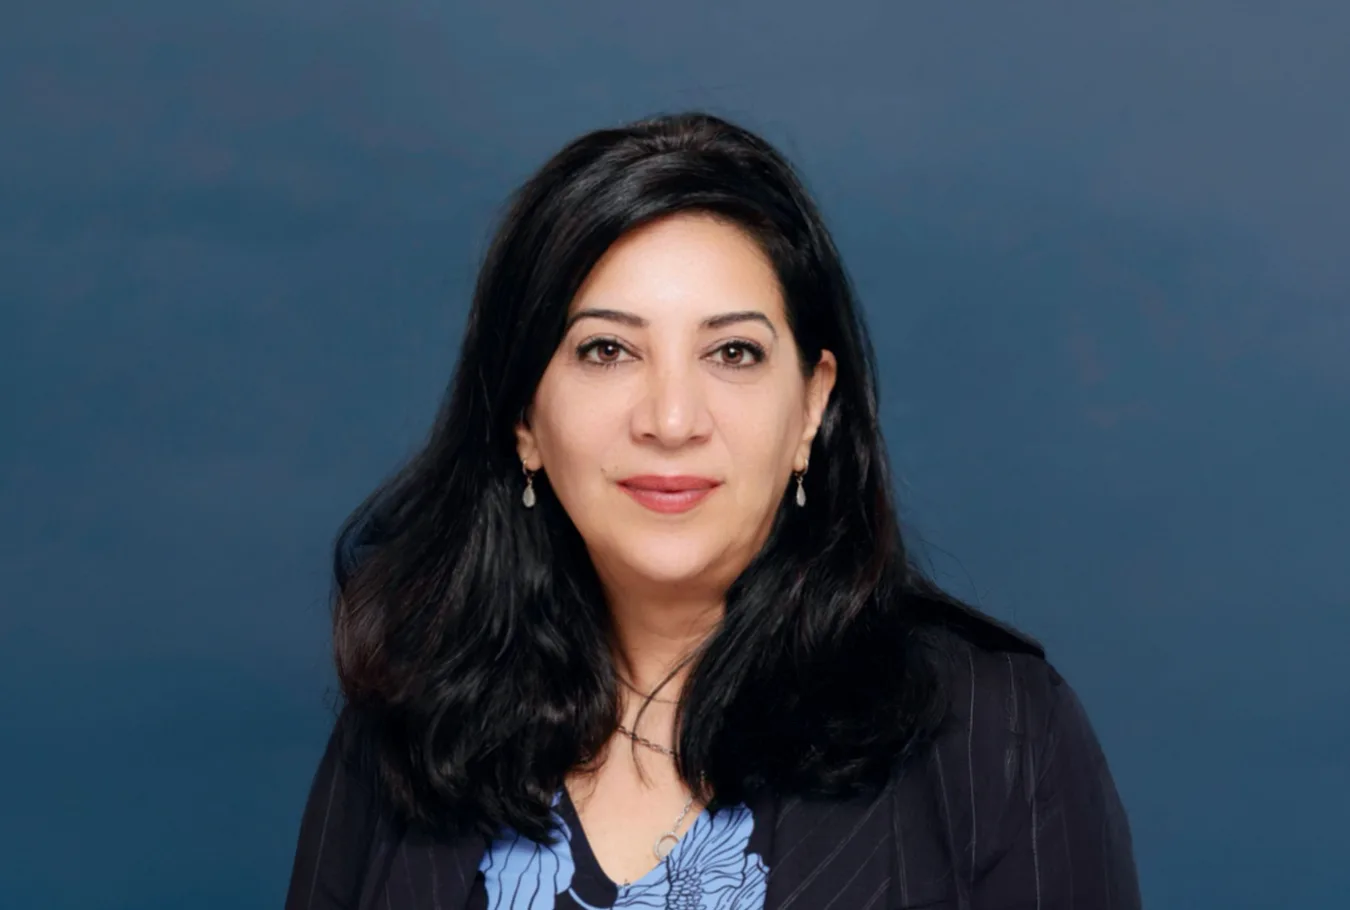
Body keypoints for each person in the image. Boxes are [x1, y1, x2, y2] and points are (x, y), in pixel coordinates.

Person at [284, 112, 1140, 910]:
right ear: (523, 419)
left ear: (811, 406)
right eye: (607, 350)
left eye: (732, 352)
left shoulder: (998, 734)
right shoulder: (404, 723)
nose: (670, 419)